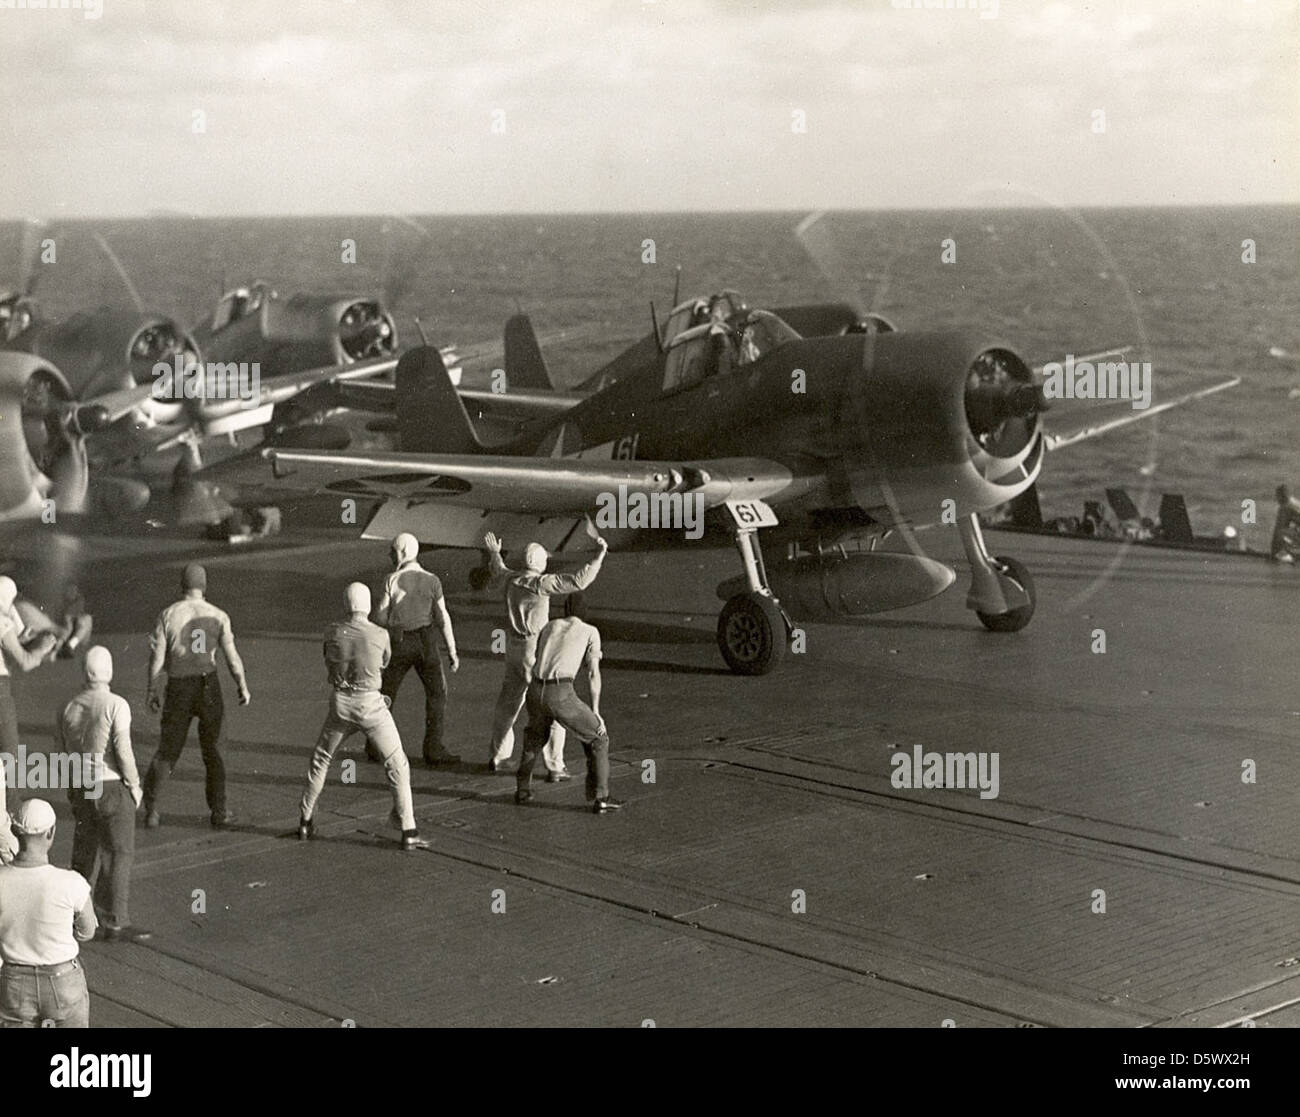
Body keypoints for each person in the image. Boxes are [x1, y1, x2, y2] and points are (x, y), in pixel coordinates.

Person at [298, 583, 428, 851]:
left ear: (346, 604)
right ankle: (408, 828)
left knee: (321, 760)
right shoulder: (380, 635)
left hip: (341, 703)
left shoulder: (332, 632)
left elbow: (329, 659)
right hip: (371, 705)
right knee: (396, 763)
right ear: (367, 605)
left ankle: (305, 819)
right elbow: (384, 662)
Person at [484, 526, 608, 775]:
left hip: (513, 647)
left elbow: (498, 569)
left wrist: (495, 553)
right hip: (535, 650)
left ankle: (498, 756)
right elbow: (578, 581)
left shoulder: (511, 579)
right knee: (551, 703)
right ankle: (555, 765)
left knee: (508, 705)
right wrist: (599, 555)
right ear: (540, 563)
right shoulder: (540, 584)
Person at [142, 563, 250, 830]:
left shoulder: (168, 615)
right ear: (204, 586)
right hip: (208, 685)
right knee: (215, 751)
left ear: (182, 586)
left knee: (168, 749)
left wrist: (152, 689)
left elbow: (156, 659)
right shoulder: (219, 616)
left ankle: (152, 809)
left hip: (179, 685)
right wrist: (242, 685)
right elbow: (232, 659)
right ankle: (219, 810)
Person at [58, 647, 149, 943]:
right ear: (109, 671)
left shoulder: (68, 706)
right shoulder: (116, 705)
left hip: (83, 786)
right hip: (110, 785)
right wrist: (134, 786)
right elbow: (123, 750)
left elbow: (62, 752)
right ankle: (114, 919)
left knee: (85, 853)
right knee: (119, 853)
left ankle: (75, 914)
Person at [515, 593, 623, 814]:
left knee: (534, 737)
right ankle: (602, 797)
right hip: (561, 691)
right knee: (598, 736)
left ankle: (523, 788)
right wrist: (596, 712)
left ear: (565, 610)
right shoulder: (590, 631)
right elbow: (593, 674)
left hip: (535, 688)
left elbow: (538, 655)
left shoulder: (550, 626)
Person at [0, 798, 97, 1027]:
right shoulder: (71, 882)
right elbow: (87, 931)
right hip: (62, 980)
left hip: (14, 982)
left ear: (14, 831)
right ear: (51, 833)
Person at [373, 533, 461, 767]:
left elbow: (379, 617)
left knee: (386, 694)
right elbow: (443, 618)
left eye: (393, 551)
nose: (390, 555)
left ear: (402, 552)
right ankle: (433, 748)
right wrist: (451, 649)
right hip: (426, 641)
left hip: (400, 641)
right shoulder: (432, 580)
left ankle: (376, 745)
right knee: (436, 695)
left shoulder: (390, 580)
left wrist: (392, 624)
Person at [0, 576, 58, 759]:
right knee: (9, 751)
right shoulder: (3, 621)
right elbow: (25, 661)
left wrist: (19, 640)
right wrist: (43, 649)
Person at [1270, 485, 1300, 563]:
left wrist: (1273, 554)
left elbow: (1278, 529)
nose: (1276, 499)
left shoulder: (1285, 507)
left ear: (1280, 496)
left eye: (1277, 496)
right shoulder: (1295, 502)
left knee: (1281, 533)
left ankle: (1284, 555)